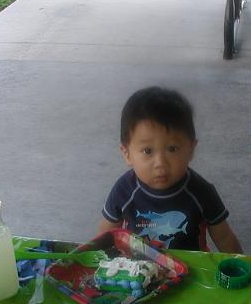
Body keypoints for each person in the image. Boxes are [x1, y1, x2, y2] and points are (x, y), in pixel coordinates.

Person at [99, 87, 242, 253]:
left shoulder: (201, 192)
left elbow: (224, 238)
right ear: (127, 154)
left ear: (191, 150)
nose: (160, 163)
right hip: (139, 271)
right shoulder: (124, 190)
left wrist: (246, 272)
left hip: (192, 271)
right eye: (147, 151)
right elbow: (105, 236)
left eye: (172, 149)